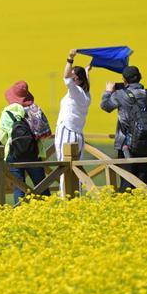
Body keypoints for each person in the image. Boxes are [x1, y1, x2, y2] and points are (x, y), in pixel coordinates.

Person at [100, 65, 147, 190]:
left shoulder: (120, 95)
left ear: (124, 80)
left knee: (127, 183)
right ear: (140, 77)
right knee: (145, 182)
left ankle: (127, 206)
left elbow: (105, 106)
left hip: (126, 144)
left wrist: (108, 91)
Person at [2, 81, 51, 201]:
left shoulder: (7, 112)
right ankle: (48, 210)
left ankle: (19, 213)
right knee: (41, 185)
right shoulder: (35, 109)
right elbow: (44, 134)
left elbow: (2, 136)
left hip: (14, 153)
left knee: (19, 187)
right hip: (34, 152)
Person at [54, 50, 91, 196]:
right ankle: (77, 196)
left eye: (74, 76)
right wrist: (87, 71)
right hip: (78, 134)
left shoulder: (75, 92)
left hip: (66, 131)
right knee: (77, 168)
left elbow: (66, 77)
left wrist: (70, 59)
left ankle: (66, 198)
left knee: (64, 166)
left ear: (78, 80)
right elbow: (85, 80)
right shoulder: (86, 94)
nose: (71, 77)